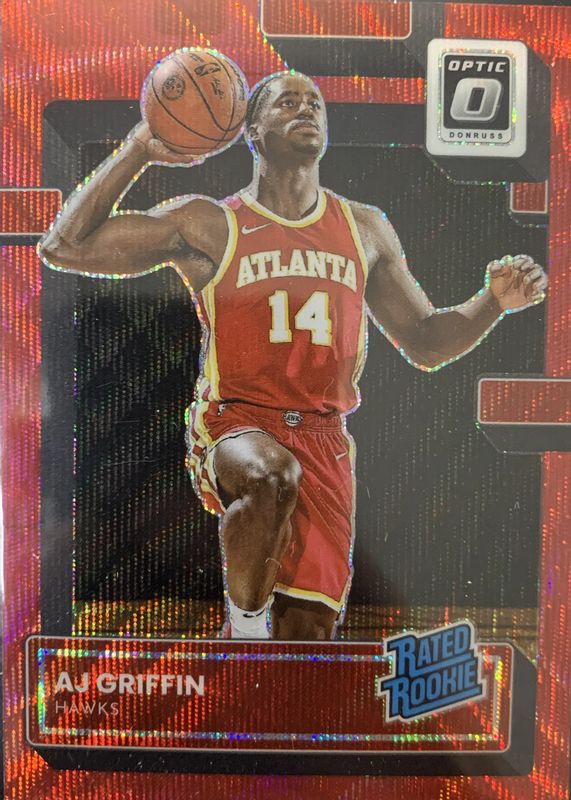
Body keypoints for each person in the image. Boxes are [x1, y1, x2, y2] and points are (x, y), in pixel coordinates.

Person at [38, 70, 547, 641]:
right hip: (237, 422)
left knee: (307, 640)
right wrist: (139, 149)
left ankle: (256, 656)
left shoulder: (364, 229)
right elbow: (65, 246)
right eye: (287, 102)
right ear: (252, 130)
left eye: (315, 104)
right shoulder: (210, 222)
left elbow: (428, 342)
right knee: (272, 477)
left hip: (326, 438)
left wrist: (493, 302)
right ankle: (244, 629)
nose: (306, 110)